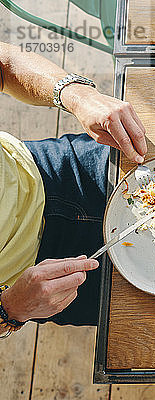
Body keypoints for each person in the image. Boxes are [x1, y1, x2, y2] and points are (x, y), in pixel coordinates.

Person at [0, 42, 147, 337]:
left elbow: (6, 62)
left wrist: (78, 96)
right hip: (39, 275)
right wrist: (9, 309)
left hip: (48, 167)